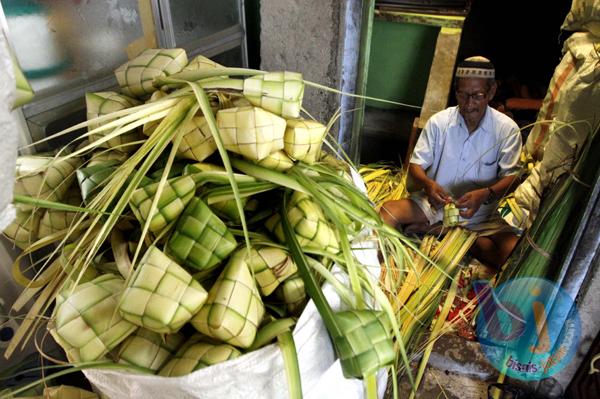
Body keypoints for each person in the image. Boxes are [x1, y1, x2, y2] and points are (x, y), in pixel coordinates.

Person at [380, 56, 522, 269]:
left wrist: (485, 194)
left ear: (491, 92)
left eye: (477, 96)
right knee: (388, 212)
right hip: (436, 205)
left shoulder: (507, 129)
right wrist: (429, 186)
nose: (468, 104)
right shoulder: (439, 122)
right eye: (462, 95)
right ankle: (444, 230)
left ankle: (447, 233)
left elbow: (512, 177)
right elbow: (416, 165)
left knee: (513, 253)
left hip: (482, 215)